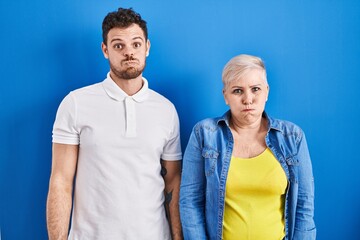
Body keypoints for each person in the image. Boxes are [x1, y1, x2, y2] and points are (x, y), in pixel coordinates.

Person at [46, 8, 183, 240]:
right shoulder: (76, 103)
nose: (129, 52)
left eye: (136, 44)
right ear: (105, 50)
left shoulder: (166, 110)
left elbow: (173, 182)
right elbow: (61, 181)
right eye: (119, 45)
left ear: (147, 47)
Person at [179, 54, 316, 240]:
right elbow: (190, 202)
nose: (248, 99)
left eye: (255, 89)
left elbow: (304, 205)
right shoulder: (204, 134)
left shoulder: (292, 137)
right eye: (237, 91)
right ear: (225, 95)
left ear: (266, 92)